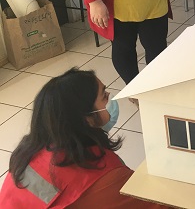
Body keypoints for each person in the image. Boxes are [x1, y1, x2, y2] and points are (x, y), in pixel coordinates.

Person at [0, 68, 172, 208]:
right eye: (104, 97)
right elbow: (158, 204)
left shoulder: (28, 151)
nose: (110, 99)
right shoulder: (105, 178)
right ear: (86, 118)